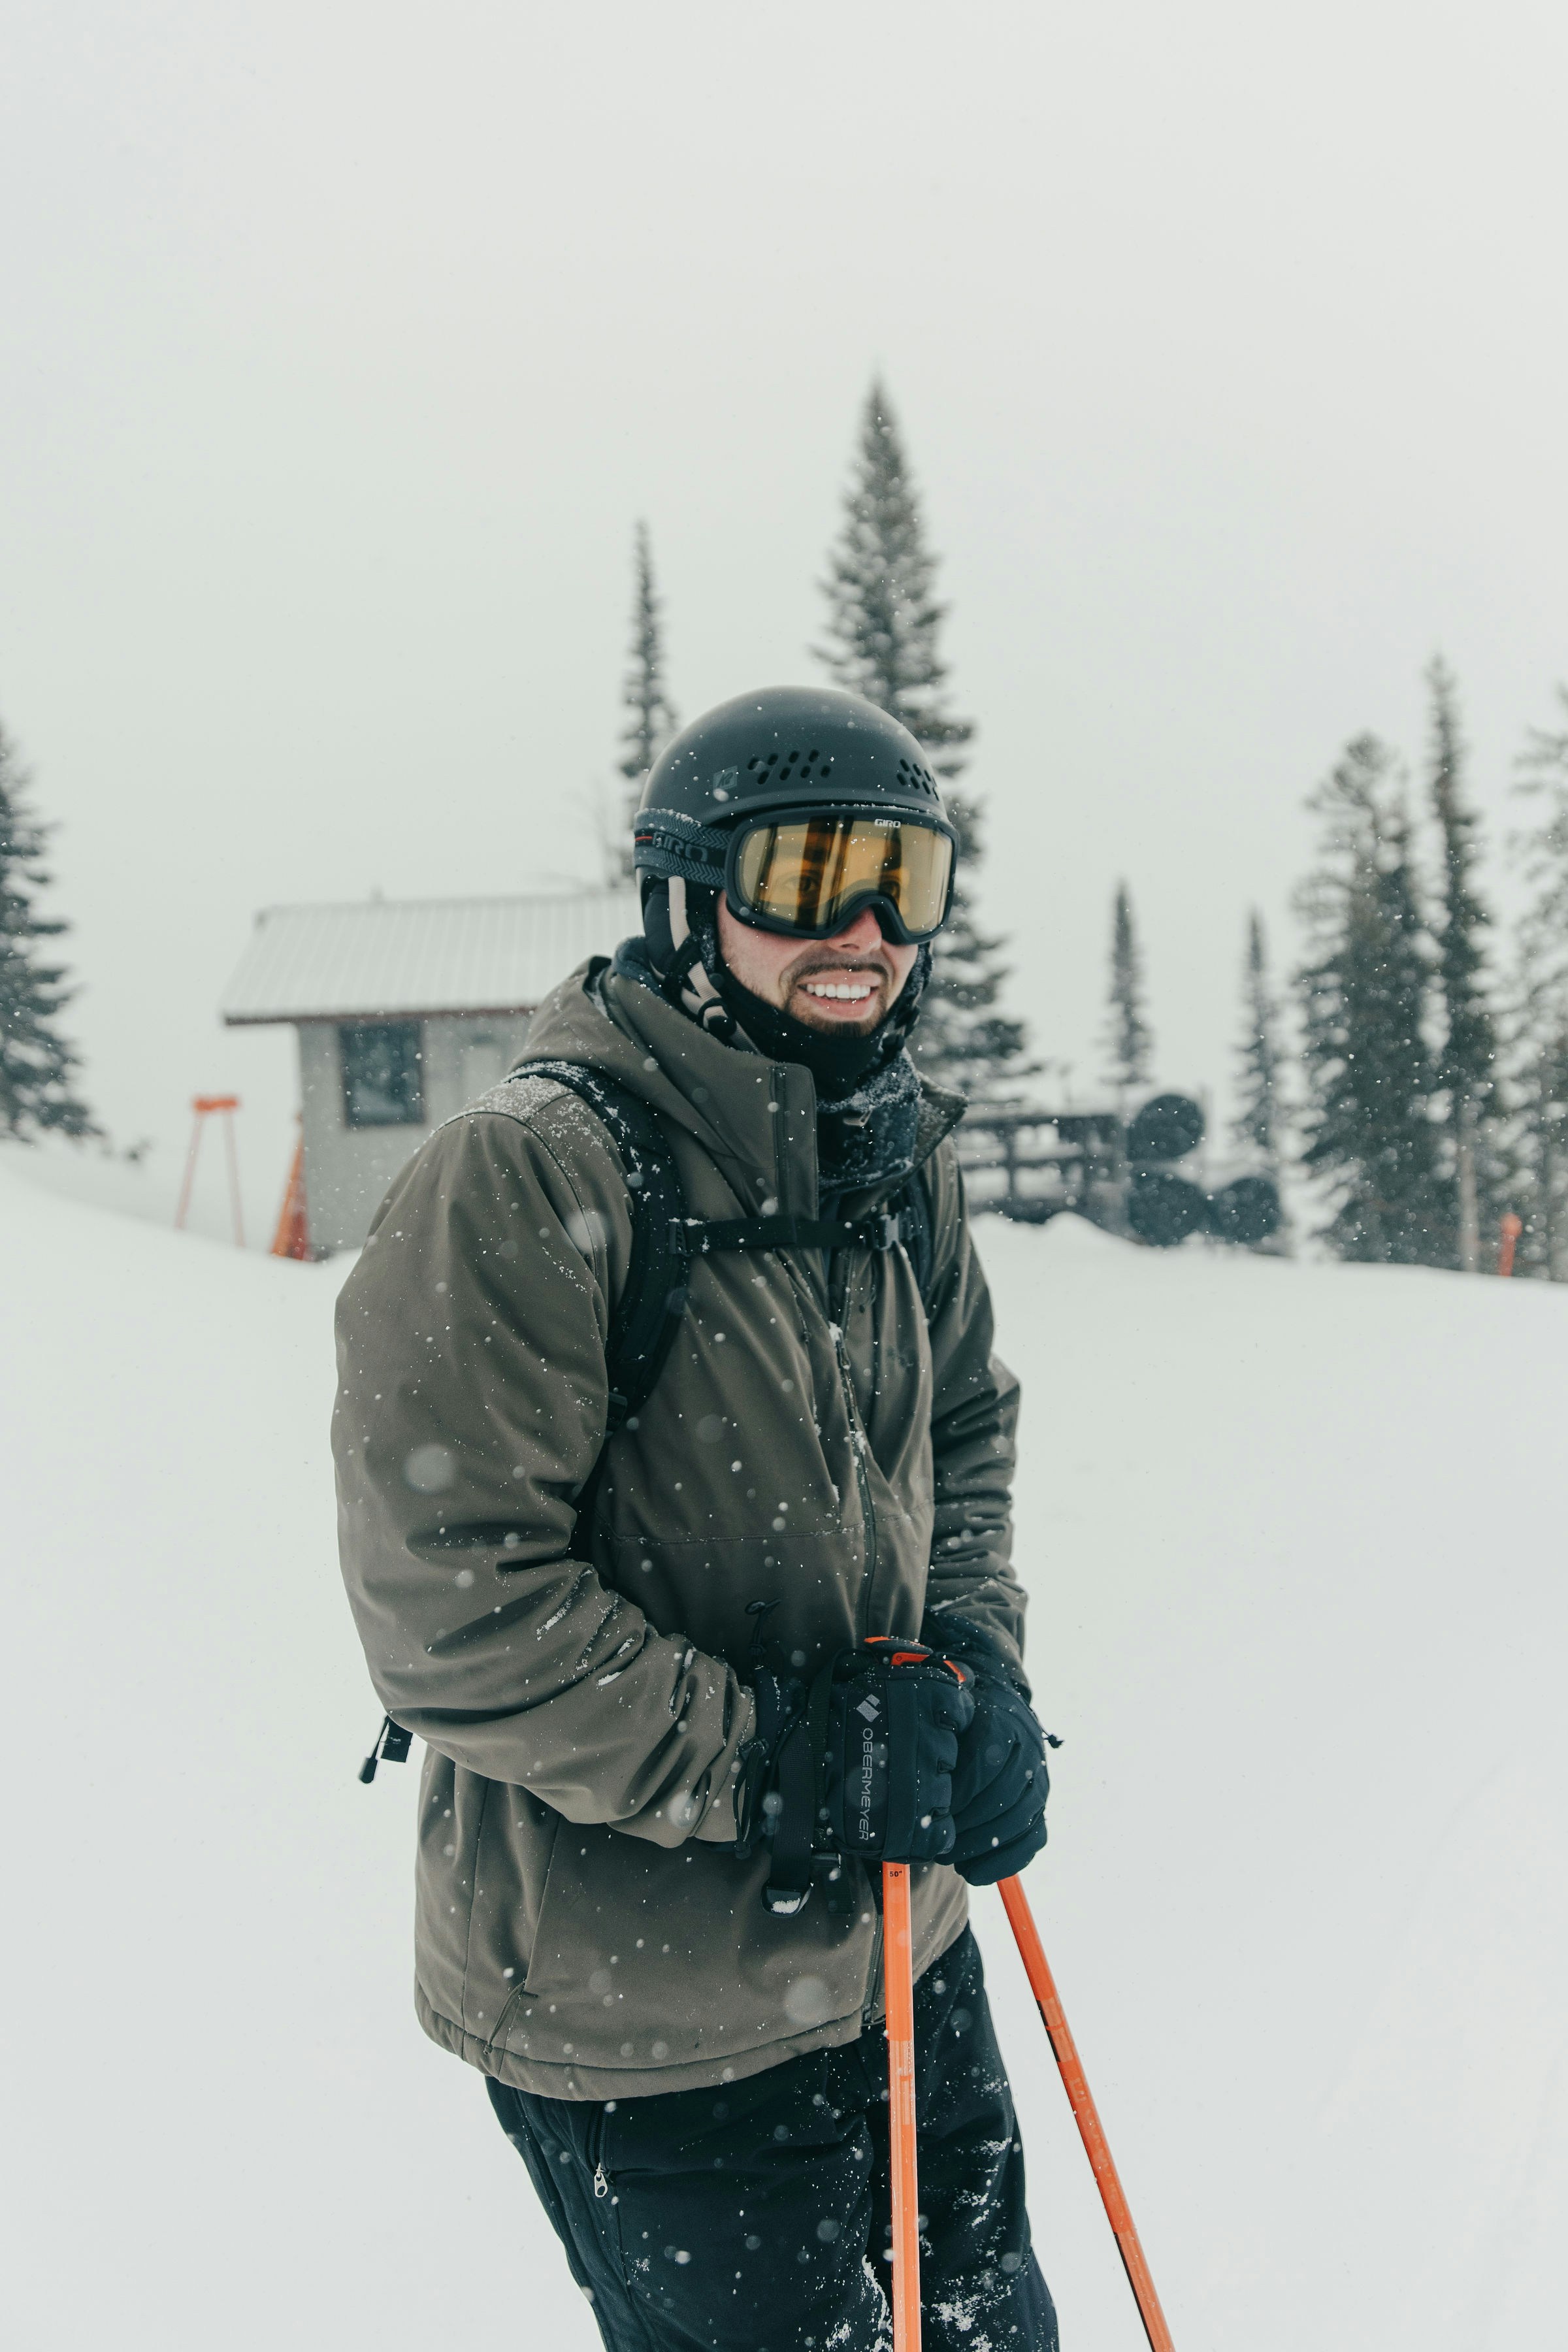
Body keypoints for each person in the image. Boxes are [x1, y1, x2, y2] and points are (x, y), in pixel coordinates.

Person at [334, 685, 1058, 2350]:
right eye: (809, 876)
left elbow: (963, 1433)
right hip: (646, 2005)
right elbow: (451, 1607)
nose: (866, 930)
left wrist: (974, 1665)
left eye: (907, 882)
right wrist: (775, 1759)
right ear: (687, 896)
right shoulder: (530, 1176)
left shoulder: (890, 1154)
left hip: (900, 1935)